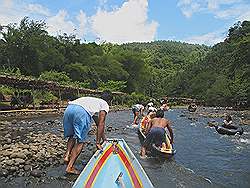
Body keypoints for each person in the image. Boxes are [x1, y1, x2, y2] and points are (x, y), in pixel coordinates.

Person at [63, 91, 112, 175]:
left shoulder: (93, 102)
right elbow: (101, 123)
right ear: (110, 101)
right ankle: (70, 167)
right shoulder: (104, 104)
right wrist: (97, 142)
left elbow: (97, 123)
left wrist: (104, 139)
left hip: (69, 109)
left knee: (72, 135)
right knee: (80, 141)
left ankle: (67, 156)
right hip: (81, 112)